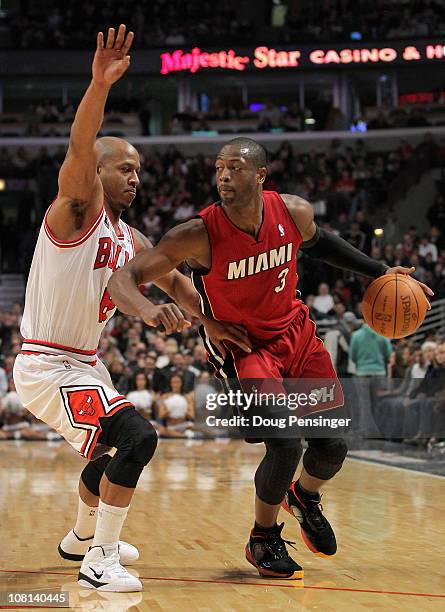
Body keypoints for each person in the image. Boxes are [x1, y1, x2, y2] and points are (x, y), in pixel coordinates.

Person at [108, 136, 433, 580]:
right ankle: (263, 537)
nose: (223, 175)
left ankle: (303, 497)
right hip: (245, 349)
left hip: (296, 335)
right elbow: (124, 277)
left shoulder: (293, 211)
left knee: (332, 447)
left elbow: (321, 243)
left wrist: (380, 271)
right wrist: (184, 316)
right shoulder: (196, 234)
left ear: (260, 175)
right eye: (219, 168)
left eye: (235, 168)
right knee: (284, 444)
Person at [13, 26, 250, 593]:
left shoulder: (132, 238)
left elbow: (177, 283)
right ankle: (101, 560)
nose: (136, 177)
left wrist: (211, 322)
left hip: (83, 363)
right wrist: (97, 85)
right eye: (125, 168)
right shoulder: (74, 210)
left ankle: (79, 538)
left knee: (117, 444)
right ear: (96, 173)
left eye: (140, 170)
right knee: (139, 437)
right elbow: (80, 147)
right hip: (47, 365)